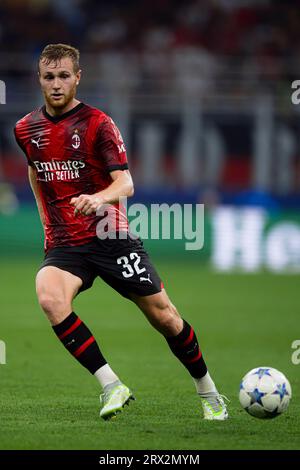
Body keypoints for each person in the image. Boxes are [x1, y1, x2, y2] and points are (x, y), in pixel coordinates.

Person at [14, 43, 228, 421]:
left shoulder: (98, 123)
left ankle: (208, 390)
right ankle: (112, 385)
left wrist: (98, 199)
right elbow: (35, 170)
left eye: (64, 76)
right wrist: (47, 221)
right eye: (49, 77)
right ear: (40, 80)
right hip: (66, 241)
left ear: (78, 78)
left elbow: (126, 183)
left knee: (165, 317)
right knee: (49, 296)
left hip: (110, 236)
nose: (57, 84)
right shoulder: (26, 129)